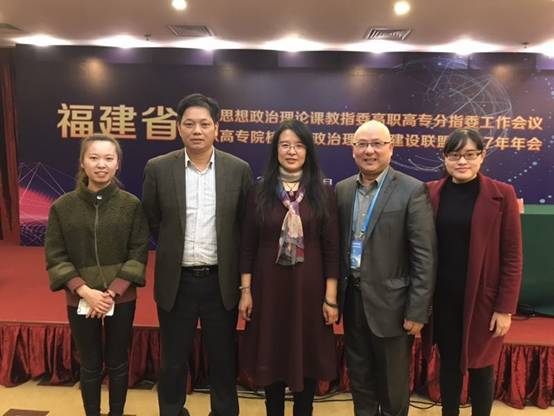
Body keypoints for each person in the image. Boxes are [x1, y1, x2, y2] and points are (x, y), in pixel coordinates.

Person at [142, 93, 252, 416]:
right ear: (178, 127)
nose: (197, 130)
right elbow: (152, 219)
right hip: (177, 281)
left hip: (221, 281)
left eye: (204, 124)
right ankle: (172, 411)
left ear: (217, 127)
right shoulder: (159, 168)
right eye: (189, 124)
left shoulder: (238, 169)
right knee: (173, 360)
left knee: (223, 359)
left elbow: (244, 225)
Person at [238, 119, 339, 416]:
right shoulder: (259, 191)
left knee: (306, 357)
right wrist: (246, 291)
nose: (291, 151)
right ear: (276, 150)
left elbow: (332, 249)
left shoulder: (323, 192)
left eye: (298, 145)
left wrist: (330, 298)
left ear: (308, 151)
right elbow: (247, 245)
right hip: (268, 289)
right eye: (285, 145)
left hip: (310, 290)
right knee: (271, 354)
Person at [335, 120, 436, 416]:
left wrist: (417, 310)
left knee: (393, 387)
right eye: (362, 144)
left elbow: (424, 256)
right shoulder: (342, 190)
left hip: (393, 306)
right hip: (353, 301)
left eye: (377, 144)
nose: (370, 151)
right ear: (353, 150)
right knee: (360, 379)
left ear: (391, 148)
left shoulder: (412, 190)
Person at [45, 133, 149, 416]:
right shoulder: (62, 207)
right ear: (82, 162)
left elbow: (138, 252)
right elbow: (55, 255)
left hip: (121, 297)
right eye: (94, 157)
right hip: (80, 297)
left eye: (108, 158)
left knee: (118, 361)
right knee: (89, 363)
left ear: (117, 164)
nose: (101, 164)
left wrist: (112, 292)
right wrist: (85, 291)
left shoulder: (131, 205)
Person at [424, 128, 522, 416]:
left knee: (481, 368)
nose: (462, 161)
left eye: (470, 154)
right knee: (449, 365)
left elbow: (513, 256)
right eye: (455, 155)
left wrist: (505, 308)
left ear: (482, 156)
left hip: (483, 301)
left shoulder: (502, 194)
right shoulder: (430, 192)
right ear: (445, 158)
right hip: (443, 299)